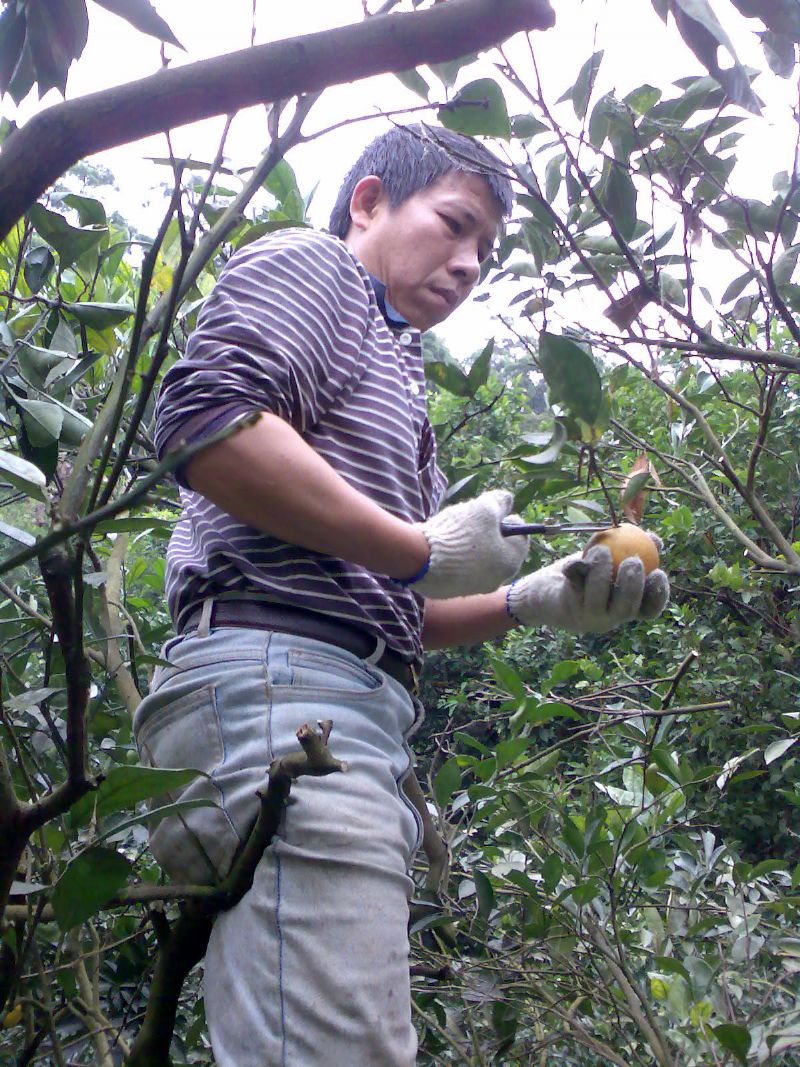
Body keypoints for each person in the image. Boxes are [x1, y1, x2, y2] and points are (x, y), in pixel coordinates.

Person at [133, 124, 669, 1067]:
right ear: (370, 201)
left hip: (323, 698)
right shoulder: (319, 270)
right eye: (454, 225)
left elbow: (385, 603)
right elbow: (205, 420)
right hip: (280, 697)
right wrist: (417, 547)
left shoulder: (395, 375)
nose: (467, 266)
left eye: (485, 254)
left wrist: (528, 601)